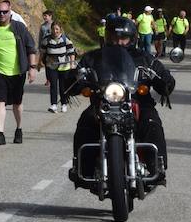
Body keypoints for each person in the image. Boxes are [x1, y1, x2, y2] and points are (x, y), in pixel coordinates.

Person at [68, 16, 174, 185]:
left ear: (132, 38)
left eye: (123, 38)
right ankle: (82, 169)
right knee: (85, 122)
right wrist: (74, 79)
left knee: (151, 121)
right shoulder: (94, 57)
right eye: (115, 38)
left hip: (138, 101)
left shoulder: (144, 57)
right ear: (108, 37)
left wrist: (164, 80)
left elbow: (160, 72)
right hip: (103, 102)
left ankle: (158, 167)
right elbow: (78, 73)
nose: (119, 42)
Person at [0, 0, 37, 145]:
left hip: (17, 72)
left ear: (10, 11)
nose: (1, 15)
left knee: (17, 103)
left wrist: (32, 68)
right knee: (0, 102)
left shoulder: (19, 28)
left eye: (5, 12)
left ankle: (19, 129)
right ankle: (1, 133)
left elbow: (30, 47)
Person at [40, 21, 77, 113]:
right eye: (53, 29)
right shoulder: (46, 40)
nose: (55, 31)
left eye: (57, 29)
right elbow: (42, 53)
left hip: (64, 66)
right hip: (51, 65)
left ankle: (64, 104)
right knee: (53, 85)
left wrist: (72, 64)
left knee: (63, 86)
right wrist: (38, 63)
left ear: (60, 29)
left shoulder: (65, 39)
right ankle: (53, 105)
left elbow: (71, 52)